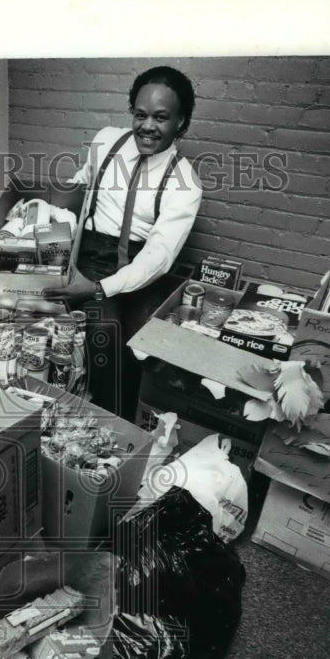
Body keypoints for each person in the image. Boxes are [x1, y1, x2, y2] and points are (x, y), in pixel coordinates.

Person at [45, 65, 203, 419]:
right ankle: (91, 415)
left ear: (181, 122)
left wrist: (98, 289)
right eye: (141, 114)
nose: (148, 126)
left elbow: (158, 258)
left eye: (161, 117)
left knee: (131, 343)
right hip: (89, 253)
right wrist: (47, 217)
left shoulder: (185, 183)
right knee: (99, 330)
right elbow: (81, 184)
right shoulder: (105, 140)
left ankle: (115, 424)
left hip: (139, 266)